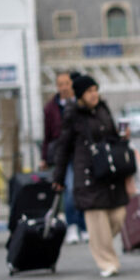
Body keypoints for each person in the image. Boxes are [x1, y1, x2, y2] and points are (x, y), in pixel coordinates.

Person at [51, 75, 128, 277]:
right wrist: (58, 178)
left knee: (118, 215)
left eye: (96, 89)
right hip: (87, 174)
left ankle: (99, 244)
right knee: (97, 219)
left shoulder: (103, 109)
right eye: (89, 91)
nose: (94, 94)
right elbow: (63, 148)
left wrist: (122, 137)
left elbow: (111, 134)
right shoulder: (72, 114)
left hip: (109, 172)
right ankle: (108, 263)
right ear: (80, 95)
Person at [41, 70, 86, 244]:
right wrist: (44, 157)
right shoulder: (50, 108)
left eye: (67, 84)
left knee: (83, 189)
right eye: (61, 84)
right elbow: (47, 135)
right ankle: (73, 225)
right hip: (63, 155)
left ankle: (83, 226)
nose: (64, 88)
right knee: (69, 190)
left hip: (80, 152)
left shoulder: (81, 104)